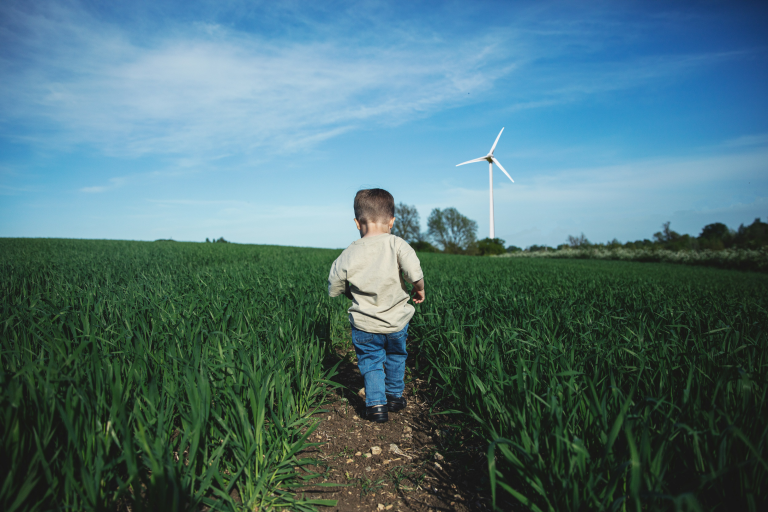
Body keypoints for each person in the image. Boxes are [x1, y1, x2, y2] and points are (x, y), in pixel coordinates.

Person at [328, 189, 425, 423]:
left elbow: (334, 284)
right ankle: (393, 396)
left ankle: (376, 406)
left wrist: (347, 293)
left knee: (370, 362)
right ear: (391, 221)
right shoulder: (398, 245)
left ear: (357, 222)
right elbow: (414, 272)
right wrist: (419, 288)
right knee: (396, 356)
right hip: (396, 322)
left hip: (364, 324)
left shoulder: (350, 252)